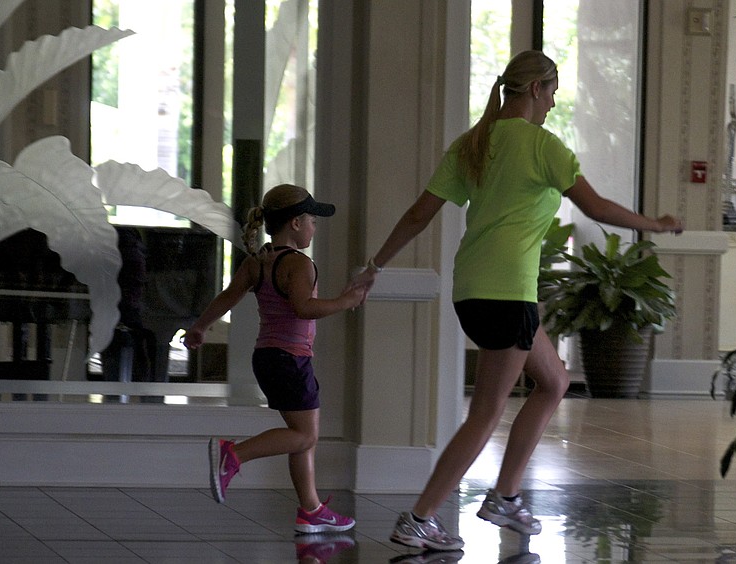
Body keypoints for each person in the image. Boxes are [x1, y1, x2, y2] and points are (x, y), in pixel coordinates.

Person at [348, 50, 683, 551]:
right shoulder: (543, 146)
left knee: (555, 381)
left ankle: (505, 496)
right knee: (486, 412)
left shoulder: (473, 143)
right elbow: (596, 207)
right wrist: (654, 224)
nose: (553, 104)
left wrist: (375, 265)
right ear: (535, 89)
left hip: (473, 289)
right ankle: (419, 518)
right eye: (552, 93)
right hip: (507, 294)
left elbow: (419, 214)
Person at [183, 183, 365, 534]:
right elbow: (303, 308)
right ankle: (233, 454)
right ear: (296, 223)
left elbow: (228, 296)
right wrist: (345, 301)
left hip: (267, 357)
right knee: (305, 437)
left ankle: (311, 511)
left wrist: (200, 327)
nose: (314, 228)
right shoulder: (300, 264)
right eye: (312, 221)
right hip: (290, 360)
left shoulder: (258, 261)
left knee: (302, 435)